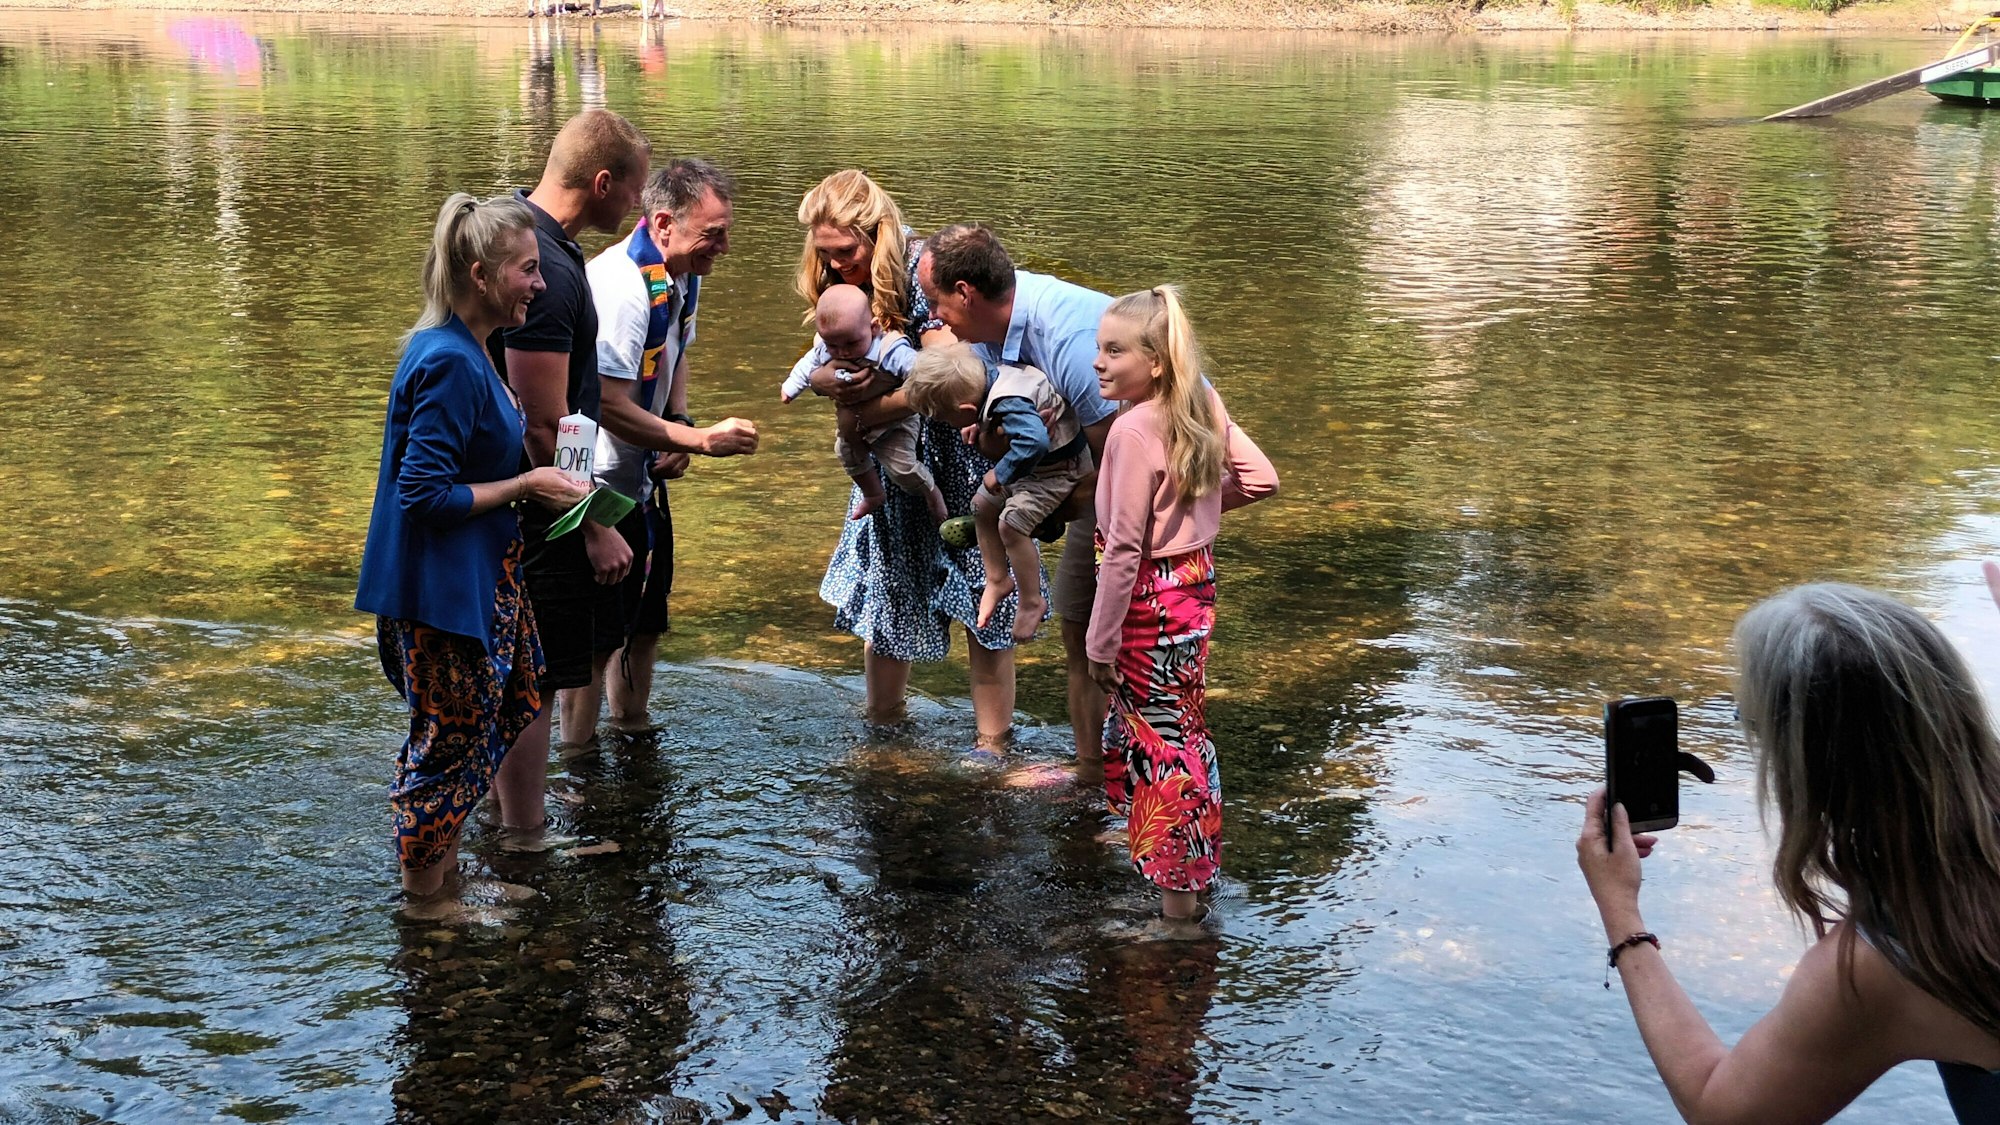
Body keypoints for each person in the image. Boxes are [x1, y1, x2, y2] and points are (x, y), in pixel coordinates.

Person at [1577, 580, 2000, 1124]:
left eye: (1746, 720)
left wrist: (1620, 910)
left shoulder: (1888, 961)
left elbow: (1720, 1109)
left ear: (1805, 764)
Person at [356, 193, 589, 906]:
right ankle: (428, 905)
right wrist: (524, 480)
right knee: (445, 748)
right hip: (439, 595)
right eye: (527, 270)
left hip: (477, 580)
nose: (540, 285)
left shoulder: (475, 350)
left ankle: (451, 876)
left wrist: (533, 489)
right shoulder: (450, 361)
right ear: (480, 274)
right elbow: (421, 496)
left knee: (488, 720)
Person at [796, 170, 1020, 752]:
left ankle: (992, 747)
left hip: (958, 453)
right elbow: (823, 363)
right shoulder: (838, 283)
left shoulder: (924, 273)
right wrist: (826, 381)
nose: (838, 266)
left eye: (846, 252)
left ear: (877, 233)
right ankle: (884, 734)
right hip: (894, 468)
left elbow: (949, 374)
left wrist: (868, 411)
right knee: (891, 599)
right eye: (825, 254)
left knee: (984, 605)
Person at [1084, 285, 1277, 925]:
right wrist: (1193, 517)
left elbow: (1122, 550)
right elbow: (1260, 477)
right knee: (1182, 731)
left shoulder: (1131, 430)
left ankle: (1177, 909)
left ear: (1156, 361)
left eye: (1115, 351)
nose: (1099, 362)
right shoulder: (1201, 402)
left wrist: (1099, 641)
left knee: (1162, 746)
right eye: (1097, 348)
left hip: (1144, 606)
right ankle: (1185, 871)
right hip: (1193, 594)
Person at [486, 109, 650, 843]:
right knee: (540, 674)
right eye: (636, 190)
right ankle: (522, 829)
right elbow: (542, 421)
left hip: (539, 499)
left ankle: (516, 802)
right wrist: (593, 525)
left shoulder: (533, 237)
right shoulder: (545, 266)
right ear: (604, 182)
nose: (640, 208)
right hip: (538, 512)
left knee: (535, 668)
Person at [914, 224, 1118, 774]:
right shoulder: (992, 329)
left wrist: (1034, 510)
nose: (935, 322)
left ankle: (1135, 793)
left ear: (966, 293)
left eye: (936, 306)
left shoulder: (1070, 343)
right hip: (1074, 474)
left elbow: (1118, 466)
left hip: (1131, 489)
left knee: (1112, 644)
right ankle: (1090, 779)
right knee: (1081, 638)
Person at [582, 157, 758, 737]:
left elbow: (675, 353)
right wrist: (699, 439)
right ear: (663, 224)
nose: (724, 247)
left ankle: (631, 732)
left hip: (642, 485)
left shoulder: (680, 275)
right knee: (597, 638)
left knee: (646, 622)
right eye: (713, 233)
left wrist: (678, 420)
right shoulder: (624, 289)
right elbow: (606, 404)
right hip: (596, 486)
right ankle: (578, 767)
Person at [902, 343, 1091, 642]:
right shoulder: (992, 376)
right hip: (1034, 468)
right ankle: (997, 579)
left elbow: (1034, 443)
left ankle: (1030, 600)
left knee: (1011, 525)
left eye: (946, 420)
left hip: (1058, 471)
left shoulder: (1008, 402)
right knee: (981, 505)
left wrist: (999, 473)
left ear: (965, 410)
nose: (949, 426)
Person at [780, 284, 943, 524]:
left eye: (851, 344)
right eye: (832, 346)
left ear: (874, 327)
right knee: (845, 453)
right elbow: (807, 364)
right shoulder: (827, 346)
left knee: (902, 468)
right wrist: (791, 387)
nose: (842, 353)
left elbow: (919, 371)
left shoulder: (889, 349)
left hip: (895, 422)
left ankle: (932, 493)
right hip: (854, 425)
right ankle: (873, 493)